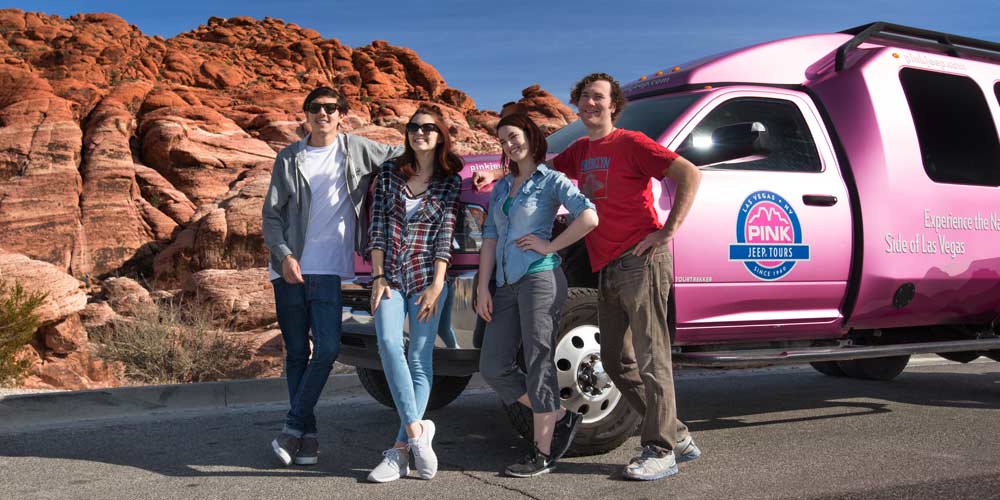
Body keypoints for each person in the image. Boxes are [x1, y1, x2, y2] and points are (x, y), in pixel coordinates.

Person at [474, 73, 703, 481]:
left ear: (613, 103)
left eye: (598, 97)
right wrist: (495, 173)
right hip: (607, 265)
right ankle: (678, 435)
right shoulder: (579, 150)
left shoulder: (632, 143)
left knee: (652, 358)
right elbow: (534, 167)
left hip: (641, 259)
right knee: (615, 361)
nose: (590, 104)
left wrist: (667, 231)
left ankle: (661, 448)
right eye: (583, 98)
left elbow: (689, 174)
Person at [262, 87, 404, 467]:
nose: (323, 113)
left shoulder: (356, 148)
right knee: (296, 353)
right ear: (306, 115)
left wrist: (483, 172)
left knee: (327, 348)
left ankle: (292, 426)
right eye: (315, 108)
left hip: (329, 269)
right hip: (289, 268)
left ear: (342, 114)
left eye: (330, 108)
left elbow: (407, 156)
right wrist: (284, 255)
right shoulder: (289, 157)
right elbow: (271, 216)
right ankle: (306, 439)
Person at [476, 113, 598, 477]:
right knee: (493, 366)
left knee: (537, 360)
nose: (508, 145)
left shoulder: (552, 181)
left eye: (513, 136)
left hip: (540, 278)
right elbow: (490, 238)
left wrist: (550, 246)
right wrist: (483, 286)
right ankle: (557, 413)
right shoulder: (502, 187)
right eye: (502, 141)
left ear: (530, 135)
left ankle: (541, 452)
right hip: (505, 284)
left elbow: (589, 217)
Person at [365, 105, 462, 483]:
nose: (419, 132)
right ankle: (419, 432)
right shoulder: (390, 171)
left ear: (440, 135)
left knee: (419, 357)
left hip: (426, 278)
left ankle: (400, 450)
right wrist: (377, 275)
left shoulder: (449, 179)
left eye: (427, 128)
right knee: (389, 343)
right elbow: (377, 225)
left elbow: (445, 233)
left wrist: (438, 284)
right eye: (413, 127)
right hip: (390, 277)